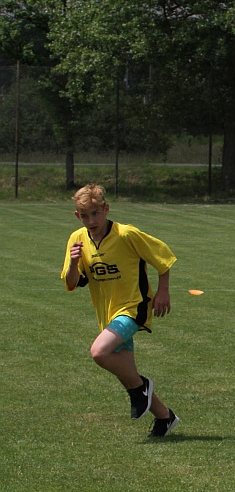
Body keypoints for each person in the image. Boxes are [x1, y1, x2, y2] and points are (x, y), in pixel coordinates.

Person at [61, 184, 181, 437]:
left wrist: (163, 291)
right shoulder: (77, 240)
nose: (91, 220)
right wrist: (73, 262)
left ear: (106, 209)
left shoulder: (126, 234)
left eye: (95, 213)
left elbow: (164, 257)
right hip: (107, 313)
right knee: (128, 376)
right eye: (85, 215)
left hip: (133, 308)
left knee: (99, 352)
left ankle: (142, 388)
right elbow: (72, 283)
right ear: (77, 215)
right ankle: (165, 417)